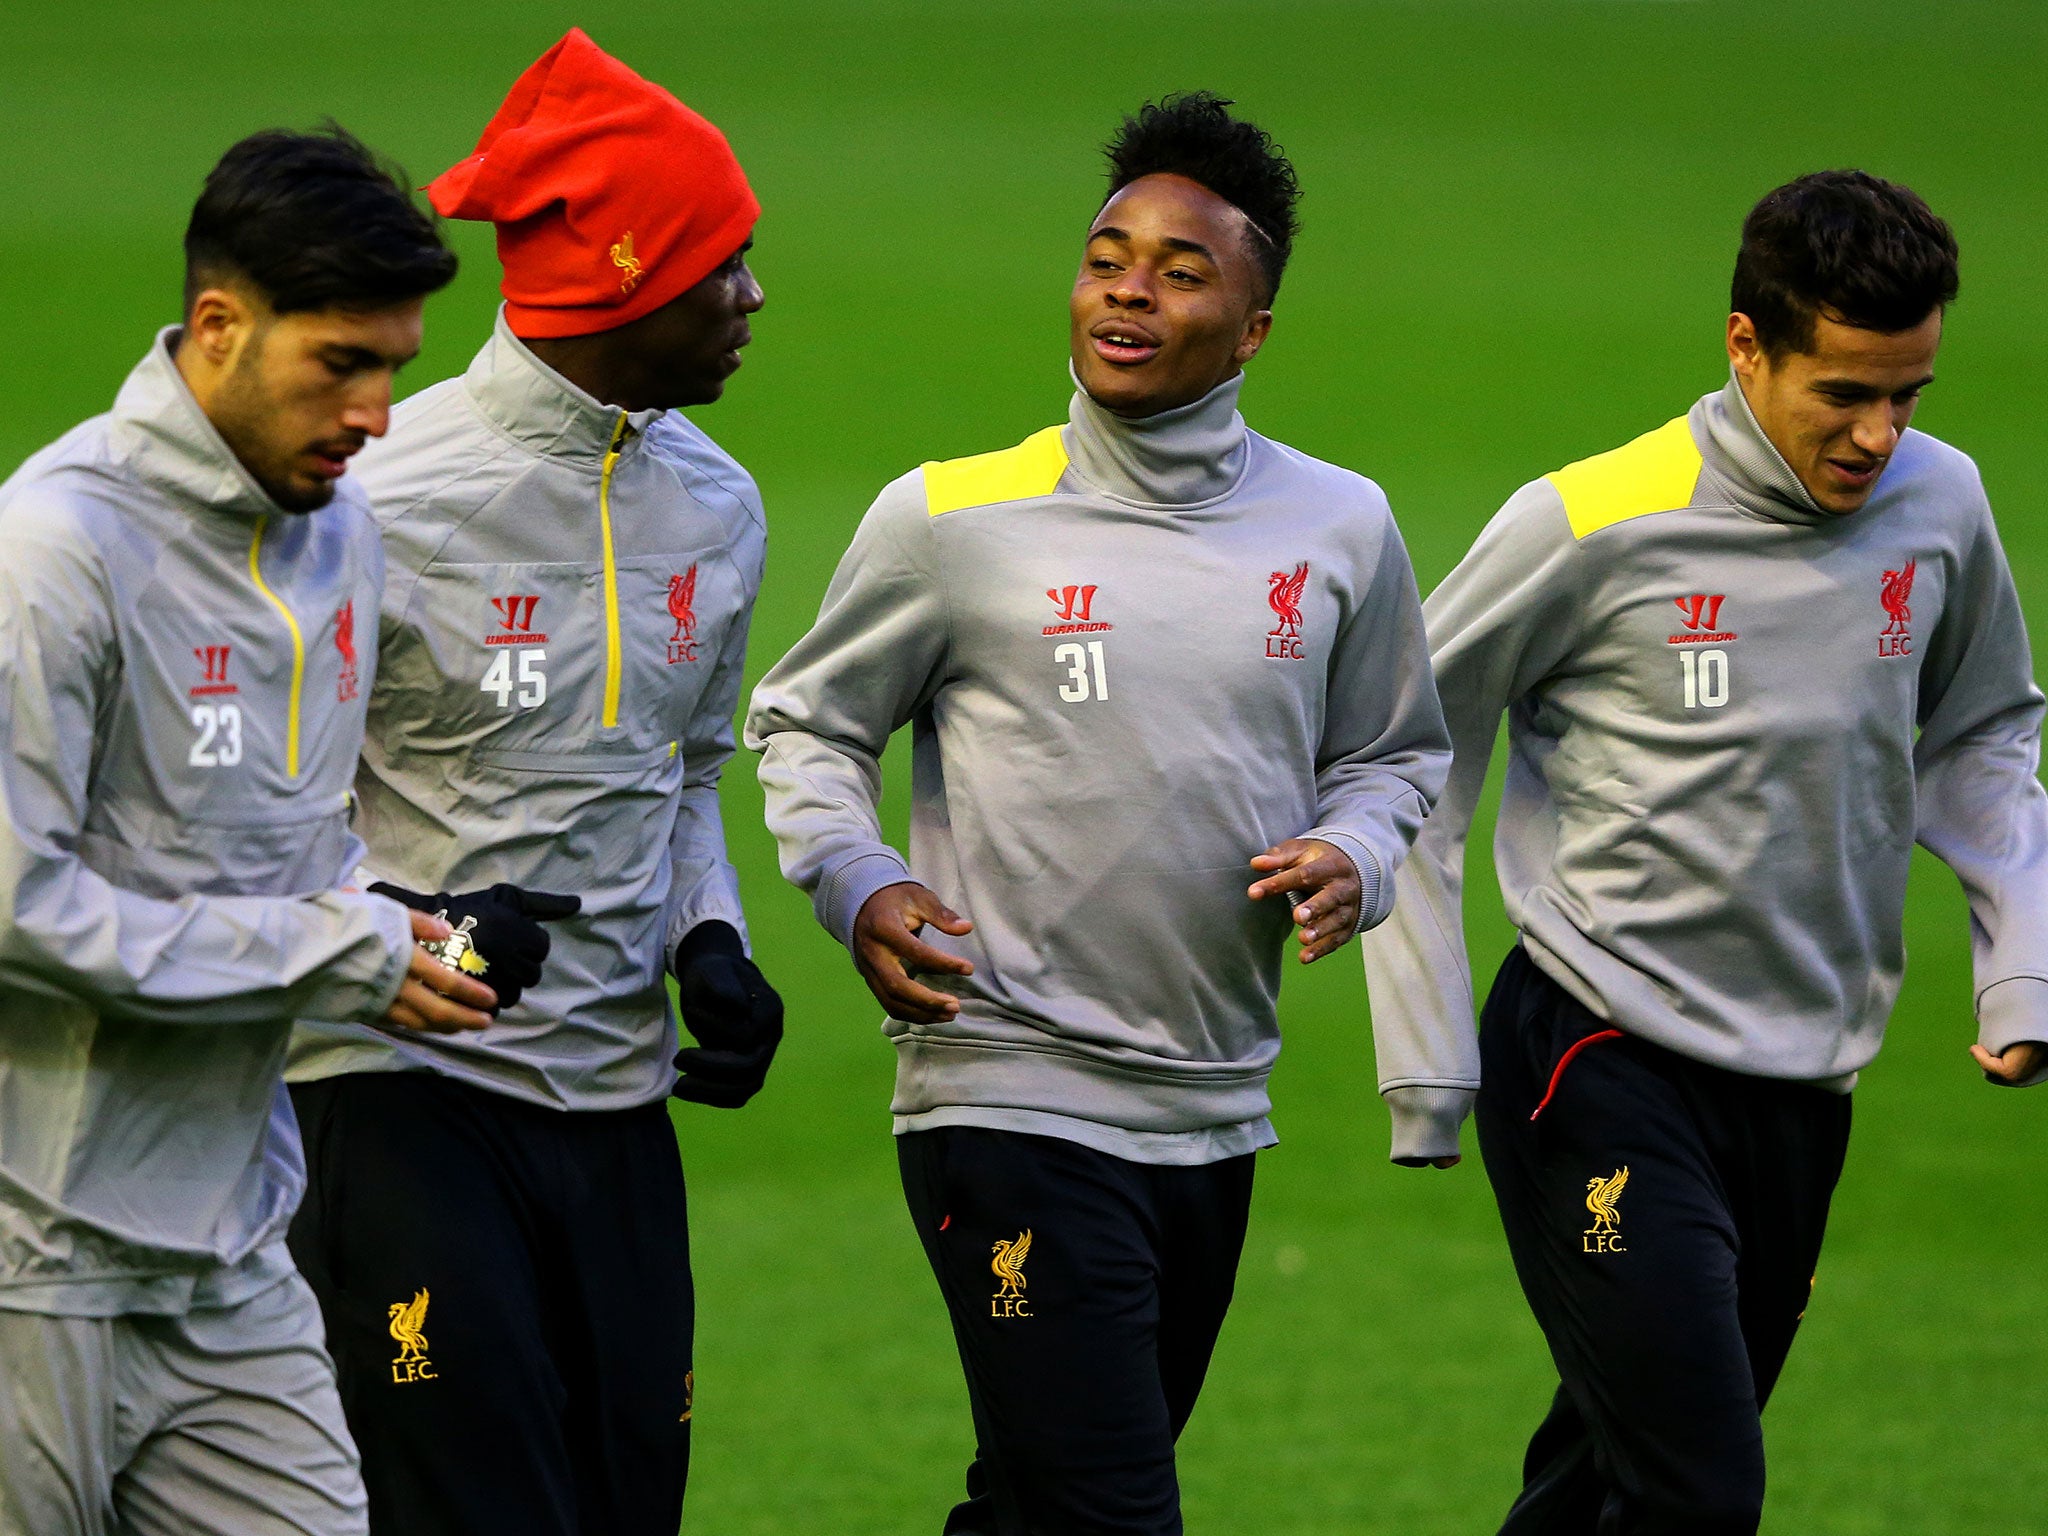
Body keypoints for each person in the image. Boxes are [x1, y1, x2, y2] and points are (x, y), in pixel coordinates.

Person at [749, 92, 1450, 1536]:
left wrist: (1355, 855)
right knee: (1112, 1514)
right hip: (1006, 1087)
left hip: (1209, 1108)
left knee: (1034, 1504)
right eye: (1108, 255)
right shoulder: (953, 518)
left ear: (1253, 329)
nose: (1131, 288)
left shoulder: (1341, 525)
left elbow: (1394, 757)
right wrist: (857, 880)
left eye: (1183, 271)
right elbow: (807, 720)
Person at [1359, 170, 2048, 1534]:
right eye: (1843, 393)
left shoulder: (1944, 505)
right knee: (1697, 1489)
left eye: (1908, 393)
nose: (1877, 436)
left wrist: (2019, 970)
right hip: (1597, 1056)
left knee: (1606, 1484)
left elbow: (1983, 736)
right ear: (1746, 348)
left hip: (1804, 1083)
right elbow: (1408, 751)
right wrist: (1426, 1060)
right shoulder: (1590, 520)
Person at [0, 126, 533, 1536]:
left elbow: (297, 850)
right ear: (222, 327)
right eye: (341, 365)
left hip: (235, 1261)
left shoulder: (341, 536)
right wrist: (325, 950)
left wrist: (393, 930)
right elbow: (17, 909)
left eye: (396, 370)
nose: (376, 414)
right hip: (32, 1268)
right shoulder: (55, 550)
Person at [285, 30, 780, 1536]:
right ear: (619, 283)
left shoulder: (721, 504)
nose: (757, 297)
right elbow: (256, 816)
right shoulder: (374, 498)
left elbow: (684, 774)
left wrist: (715, 940)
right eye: (723, 265)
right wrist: (417, 927)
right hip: (405, 1095)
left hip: (621, 1108)